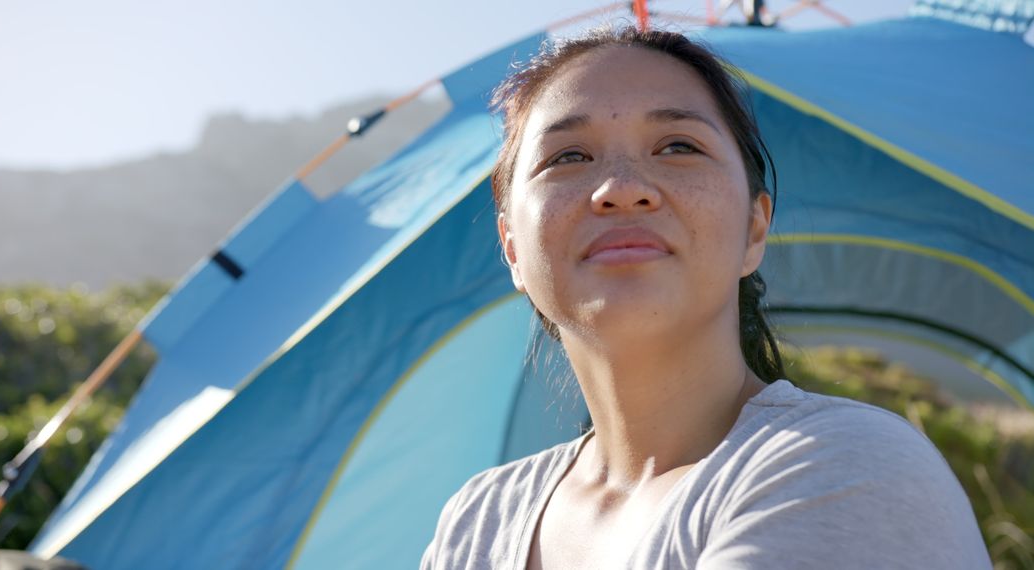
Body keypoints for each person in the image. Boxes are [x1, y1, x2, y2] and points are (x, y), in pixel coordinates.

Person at [420, 27, 991, 569]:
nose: (622, 189)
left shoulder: (846, 465)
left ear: (754, 230)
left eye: (677, 146)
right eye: (568, 156)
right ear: (512, 248)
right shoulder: (475, 525)